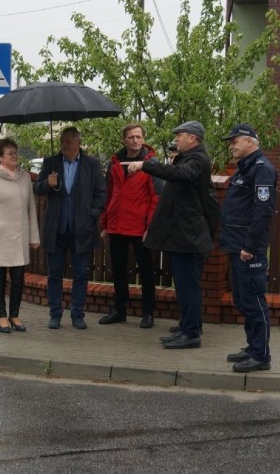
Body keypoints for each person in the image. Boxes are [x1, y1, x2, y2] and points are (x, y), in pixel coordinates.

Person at [122, 121, 213, 349]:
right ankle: (188, 325)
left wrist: (147, 165)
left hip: (187, 236)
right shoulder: (188, 158)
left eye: (180, 135)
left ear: (192, 138)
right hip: (181, 235)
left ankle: (191, 333)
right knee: (183, 284)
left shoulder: (197, 160)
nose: (176, 140)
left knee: (188, 285)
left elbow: (179, 174)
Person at [34, 126, 106, 330]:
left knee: (81, 274)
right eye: (62, 141)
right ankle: (55, 314)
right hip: (56, 229)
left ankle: (77, 314)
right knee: (54, 273)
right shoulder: (51, 163)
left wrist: (92, 214)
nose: (64, 144)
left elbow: (101, 193)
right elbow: (37, 188)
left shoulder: (91, 164)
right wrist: (47, 183)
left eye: (68, 141)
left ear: (78, 142)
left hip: (82, 229)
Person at [219, 123, 277, 372]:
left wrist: (250, 246)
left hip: (247, 248)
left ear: (250, 141)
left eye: (235, 141)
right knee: (243, 301)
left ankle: (261, 356)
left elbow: (262, 212)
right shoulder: (245, 169)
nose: (231, 145)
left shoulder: (262, 169)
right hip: (236, 246)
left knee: (254, 301)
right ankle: (253, 347)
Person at [0, 138, 40, 333]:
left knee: (19, 278)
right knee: (0, 279)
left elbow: (31, 209)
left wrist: (34, 236)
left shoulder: (24, 178)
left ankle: (15, 314)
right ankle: (1, 316)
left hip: (19, 236)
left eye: (16, 152)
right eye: (10, 153)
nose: (15, 156)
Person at [99, 123, 159, 329]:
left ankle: (148, 313)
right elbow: (109, 194)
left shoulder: (151, 164)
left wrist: (150, 227)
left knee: (146, 271)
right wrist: (105, 223)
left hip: (140, 226)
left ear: (143, 139)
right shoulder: (115, 162)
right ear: (124, 139)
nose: (135, 140)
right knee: (118, 270)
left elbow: (155, 198)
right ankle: (119, 310)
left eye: (139, 137)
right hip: (116, 225)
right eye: (131, 137)